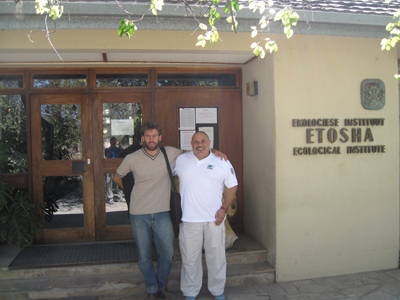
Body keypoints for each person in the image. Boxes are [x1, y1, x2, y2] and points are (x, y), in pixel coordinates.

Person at [113, 122, 227, 300]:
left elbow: (198, 150)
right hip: (138, 214)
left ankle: (161, 284)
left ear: (160, 137)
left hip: (162, 212)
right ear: (143, 138)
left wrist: (214, 151)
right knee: (144, 255)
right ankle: (152, 288)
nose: (151, 140)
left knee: (167, 254)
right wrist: (131, 195)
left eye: (154, 136)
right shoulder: (132, 158)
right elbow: (117, 177)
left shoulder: (171, 153)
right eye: (147, 136)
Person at [173, 131, 238, 300]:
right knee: (189, 259)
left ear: (209, 142)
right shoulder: (181, 160)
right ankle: (190, 292)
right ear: (191, 143)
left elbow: (232, 187)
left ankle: (217, 291)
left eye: (203, 141)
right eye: (196, 142)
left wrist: (224, 209)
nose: (199, 144)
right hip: (188, 220)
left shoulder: (221, 161)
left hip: (214, 220)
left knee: (216, 257)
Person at [104, 137, 124, 203]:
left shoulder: (118, 149)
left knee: (119, 181)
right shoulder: (108, 149)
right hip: (110, 167)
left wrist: (119, 145)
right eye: (113, 141)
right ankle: (110, 197)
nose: (114, 142)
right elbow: (106, 155)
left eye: (115, 141)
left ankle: (120, 196)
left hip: (118, 166)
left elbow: (123, 152)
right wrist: (111, 147)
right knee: (109, 182)